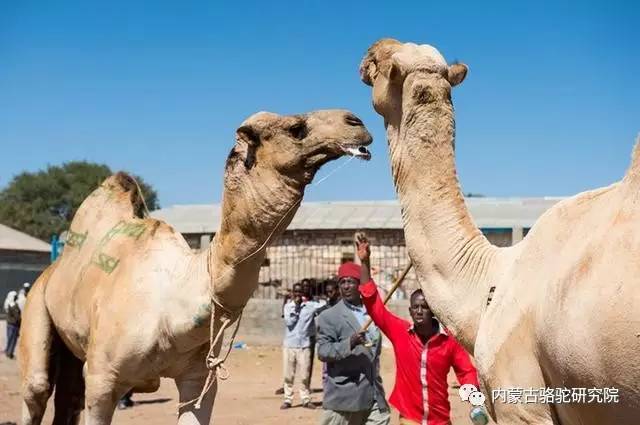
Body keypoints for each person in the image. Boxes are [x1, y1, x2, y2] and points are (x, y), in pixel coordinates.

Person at [356, 235, 481, 425]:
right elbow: (373, 305)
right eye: (416, 307)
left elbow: (466, 372)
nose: (420, 311)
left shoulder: (449, 340)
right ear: (410, 311)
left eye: (424, 306)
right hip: (409, 420)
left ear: (433, 310)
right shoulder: (400, 332)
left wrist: (473, 398)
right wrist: (365, 263)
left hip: (439, 420)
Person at [316, 262, 390, 425]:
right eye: (342, 282)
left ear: (359, 285)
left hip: (373, 393)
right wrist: (349, 342)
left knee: (382, 419)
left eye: (351, 282)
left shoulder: (372, 313)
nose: (346, 286)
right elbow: (323, 351)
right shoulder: (329, 316)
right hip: (345, 397)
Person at [281, 282, 326, 409]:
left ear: (303, 293)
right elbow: (289, 322)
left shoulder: (310, 306)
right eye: (295, 292)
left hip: (304, 346)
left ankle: (305, 399)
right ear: (292, 293)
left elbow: (324, 305)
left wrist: (319, 298)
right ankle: (288, 399)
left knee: (305, 374)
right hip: (289, 345)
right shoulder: (288, 307)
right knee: (288, 374)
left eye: (300, 292)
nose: (297, 294)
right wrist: (296, 307)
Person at [4, 290, 21, 359]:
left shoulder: (8, 303)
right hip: (14, 325)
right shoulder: (13, 305)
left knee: (9, 339)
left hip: (9, 324)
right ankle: (10, 353)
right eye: (15, 296)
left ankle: (7, 351)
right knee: (13, 340)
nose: (17, 297)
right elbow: (17, 316)